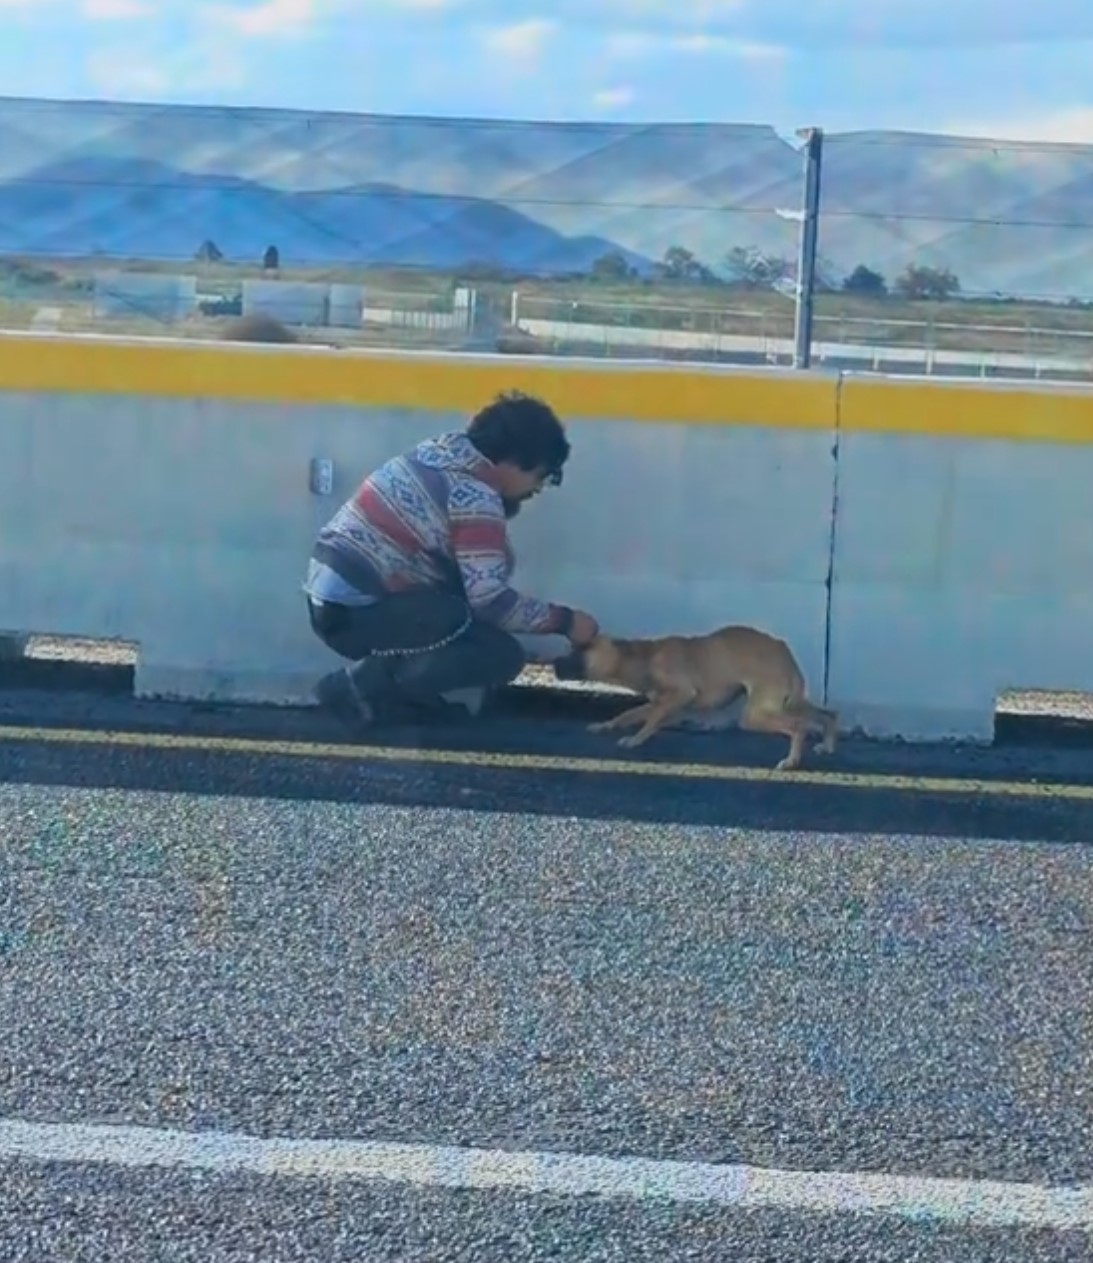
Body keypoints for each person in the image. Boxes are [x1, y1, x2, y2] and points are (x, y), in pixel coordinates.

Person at [304, 389, 600, 730]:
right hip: (356, 614)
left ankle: (399, 699)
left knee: (465, 617)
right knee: (498, 653)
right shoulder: (473, 495)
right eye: (544, 474)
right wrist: (566, 622)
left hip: (332, 599)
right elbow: (491, 603)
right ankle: (359, 688)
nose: (540, 487)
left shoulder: (440, 452)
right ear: (516, 461)